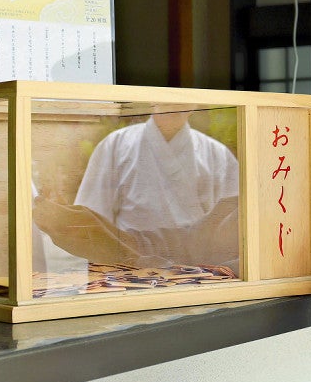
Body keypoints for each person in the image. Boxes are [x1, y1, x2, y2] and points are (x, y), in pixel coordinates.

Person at [33, 107, 240, 270]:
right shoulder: (116, 144)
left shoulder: (217, 154)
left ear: (194, 104)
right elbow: (92, 216)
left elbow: (216, 237)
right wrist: (112, 242)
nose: (173, 105)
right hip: (126, 268)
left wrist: (133, 255)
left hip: (195, 275)